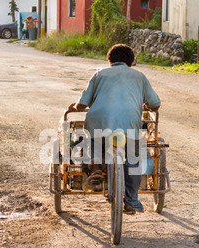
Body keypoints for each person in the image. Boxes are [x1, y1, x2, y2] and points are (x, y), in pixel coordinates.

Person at [68, 44, 161, 214]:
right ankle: (132, 199)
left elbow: (83, 104)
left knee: (95, 138)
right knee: (133, 159)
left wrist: (74, 107)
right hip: (129, 126)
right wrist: (147, 105)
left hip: (99, 122)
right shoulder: (140, 76)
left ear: (109, 60)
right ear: (131, 61)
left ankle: (95, 168)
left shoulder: (100, 74)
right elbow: (156, 104)